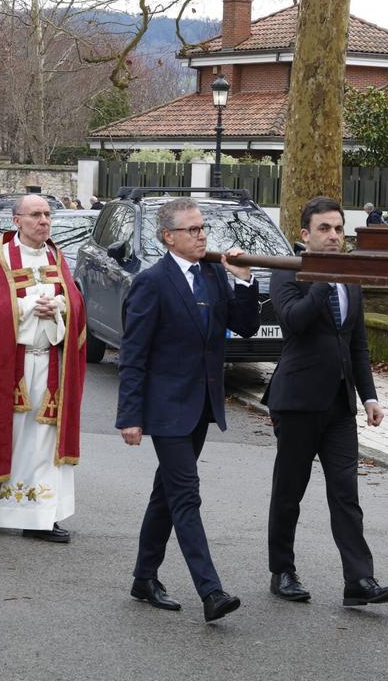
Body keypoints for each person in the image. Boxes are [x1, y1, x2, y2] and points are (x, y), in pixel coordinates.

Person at [116, 197, 259, 622]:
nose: (201, 236)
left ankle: (144, 577)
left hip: (202, 405)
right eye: (193, 230)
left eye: (203, 229)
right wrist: (130, 416)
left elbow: (246, 327)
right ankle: (211, 591)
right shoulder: (152, 282)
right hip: (165, 408)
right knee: (186, 495)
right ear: (169, 237)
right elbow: (134, 353)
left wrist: (245, 281)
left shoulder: (213, 273)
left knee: (167, 493)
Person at [263, 196, 388, 608]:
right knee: (290, 490)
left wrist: (370, 395)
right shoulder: (289, 271)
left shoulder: (352, 277)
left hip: (341, 405)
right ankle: (282, 570)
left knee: (346, 493)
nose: (334, 236)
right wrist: (322, 277)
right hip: (298, 400)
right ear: (305, 235)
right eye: (324, 229)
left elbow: (356, 343)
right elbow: (294, 322)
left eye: (339, 229)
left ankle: (359, 580)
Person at [0, 194, 86, 543]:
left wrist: (59, 305)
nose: (44, 221)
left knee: (43, 438)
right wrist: (24, 308)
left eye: (47, 215)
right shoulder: (1, 258)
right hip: (9, 364)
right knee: (3, 432)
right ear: (16, 221)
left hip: (50, 362)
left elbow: (76, 305)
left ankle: (41, 514)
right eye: (36, 215)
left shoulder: (55, 256)